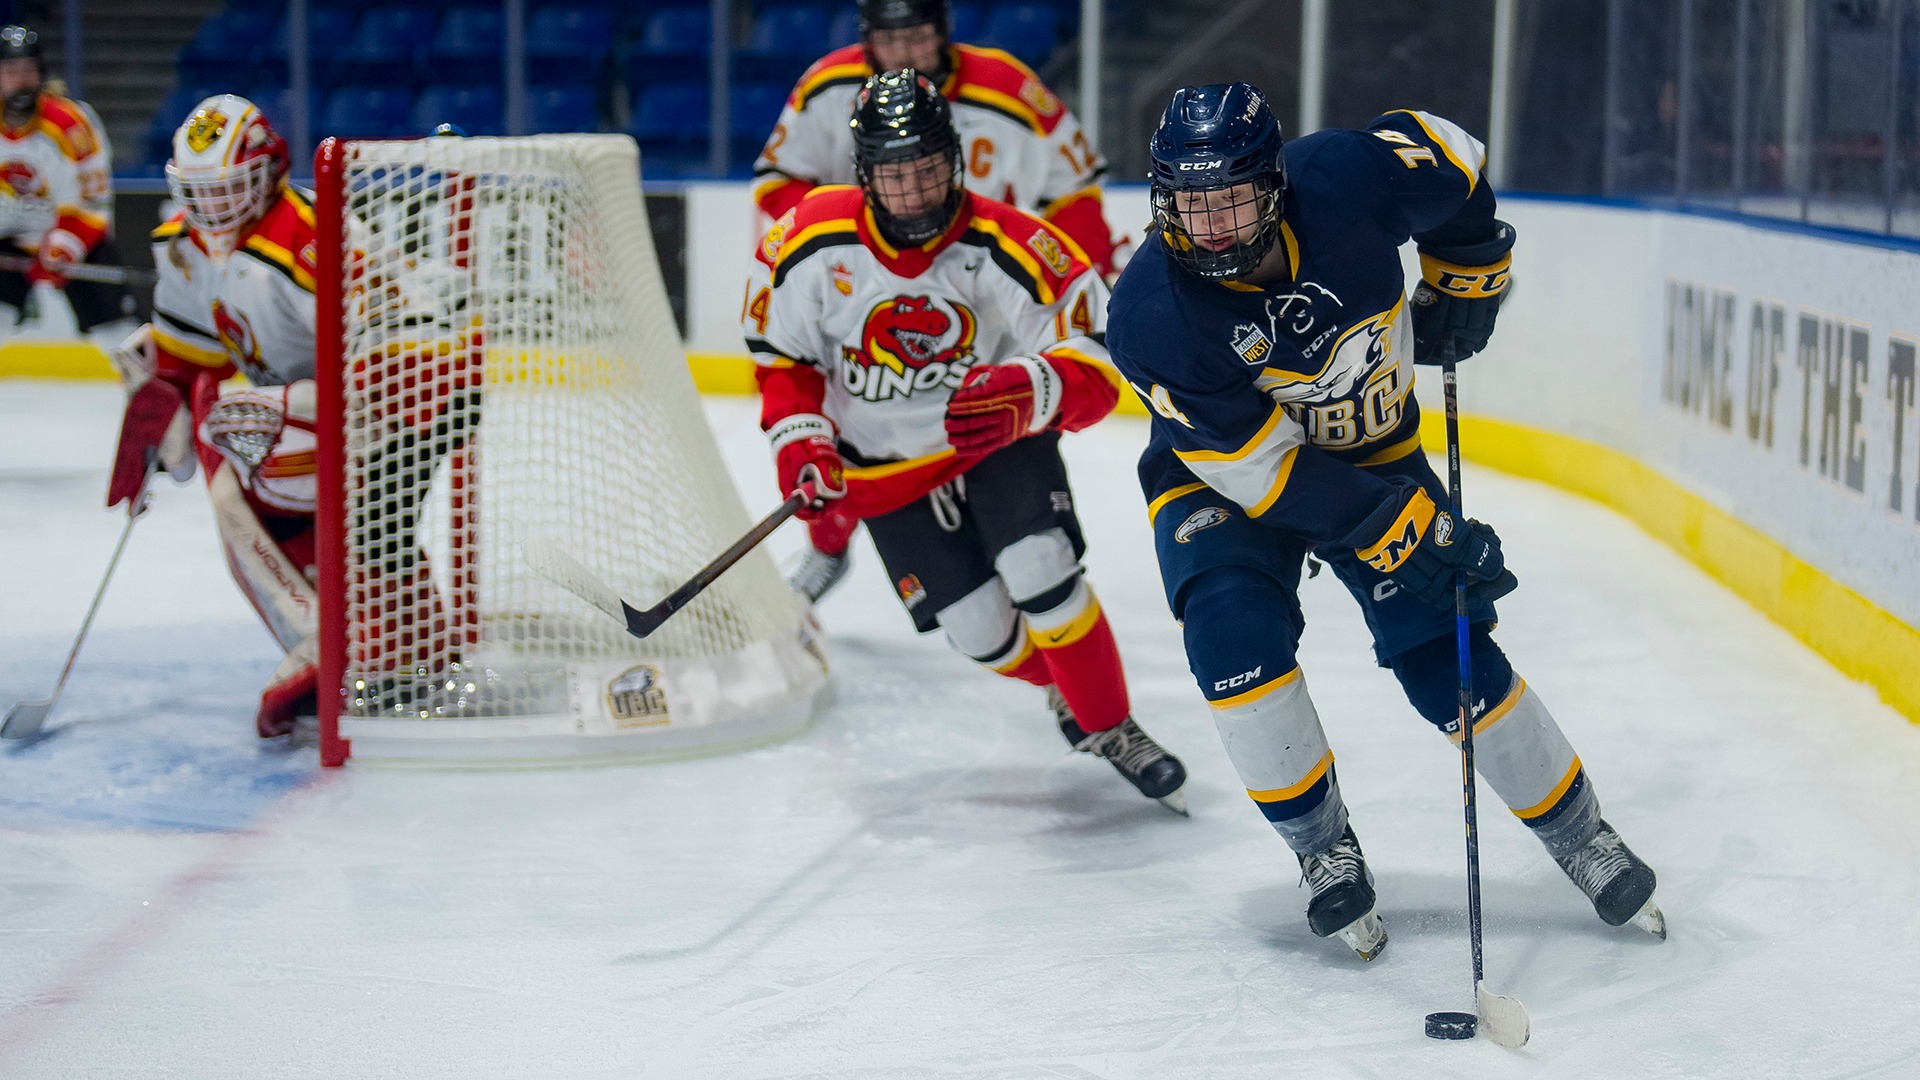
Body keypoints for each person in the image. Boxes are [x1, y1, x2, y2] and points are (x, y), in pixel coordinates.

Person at [1104, 83, 1666, 959]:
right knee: (1230, 635)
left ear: (1277, 185)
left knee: (1445, 643)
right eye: (1191, 203)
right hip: (1224, 480)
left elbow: (1453, 156)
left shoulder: (1345, 176)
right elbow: (1263, 473)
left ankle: (1580, 835)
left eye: (1233, 198)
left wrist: (1467, 267)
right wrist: (1401, 524)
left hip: (1370, 449)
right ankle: (1322, 849)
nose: (1211, 227)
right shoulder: (1150, 314)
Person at [745, 69, 1185, 812]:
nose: (915, 192)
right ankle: (1067, 689)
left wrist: (1034, 389)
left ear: (956, 160)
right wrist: (802, 443)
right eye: (895, 174)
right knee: (981, 633)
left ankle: (1112, 726)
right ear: (864, 174)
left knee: (1040, 567)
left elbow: (1104, 351)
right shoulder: (807, 241)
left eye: (927, 169)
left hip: (992, 434)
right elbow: (782, 360)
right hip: (884, 469)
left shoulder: (1012, 242)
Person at [752, 0, 1128, 605]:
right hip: (864, 285)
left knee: (995, 418)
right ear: (866, 38)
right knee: (832, 424)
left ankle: (1016, 551)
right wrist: (861, 237)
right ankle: (827, 540)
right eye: (890, 40)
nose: (905, 53)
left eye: (919, 37)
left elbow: (1073, 191)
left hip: (979, 287)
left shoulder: (1008, 87)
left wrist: (1071, 272)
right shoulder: (827, 85)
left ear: (945, 32)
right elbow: (778, 181)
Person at [104, 94, 324, 739]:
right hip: (297, 407)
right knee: (236, 456)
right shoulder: (183, 246)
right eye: (199, 191)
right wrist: (150, 424)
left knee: (249, 444)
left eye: (230, 188)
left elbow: (379, 352)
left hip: (377, 403)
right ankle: (345, 642)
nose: (214, 208)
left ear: (269, 170)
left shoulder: (311, 236)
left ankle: (341, 638)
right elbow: (185, 358)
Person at [0, 24, 130, 337]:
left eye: (29, 70)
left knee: (120, 336)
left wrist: (63, 249)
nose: (22, 81)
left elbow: (93, 201)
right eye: (11, 71)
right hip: (7, 243)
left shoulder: (71, 125)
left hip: (70, 240)